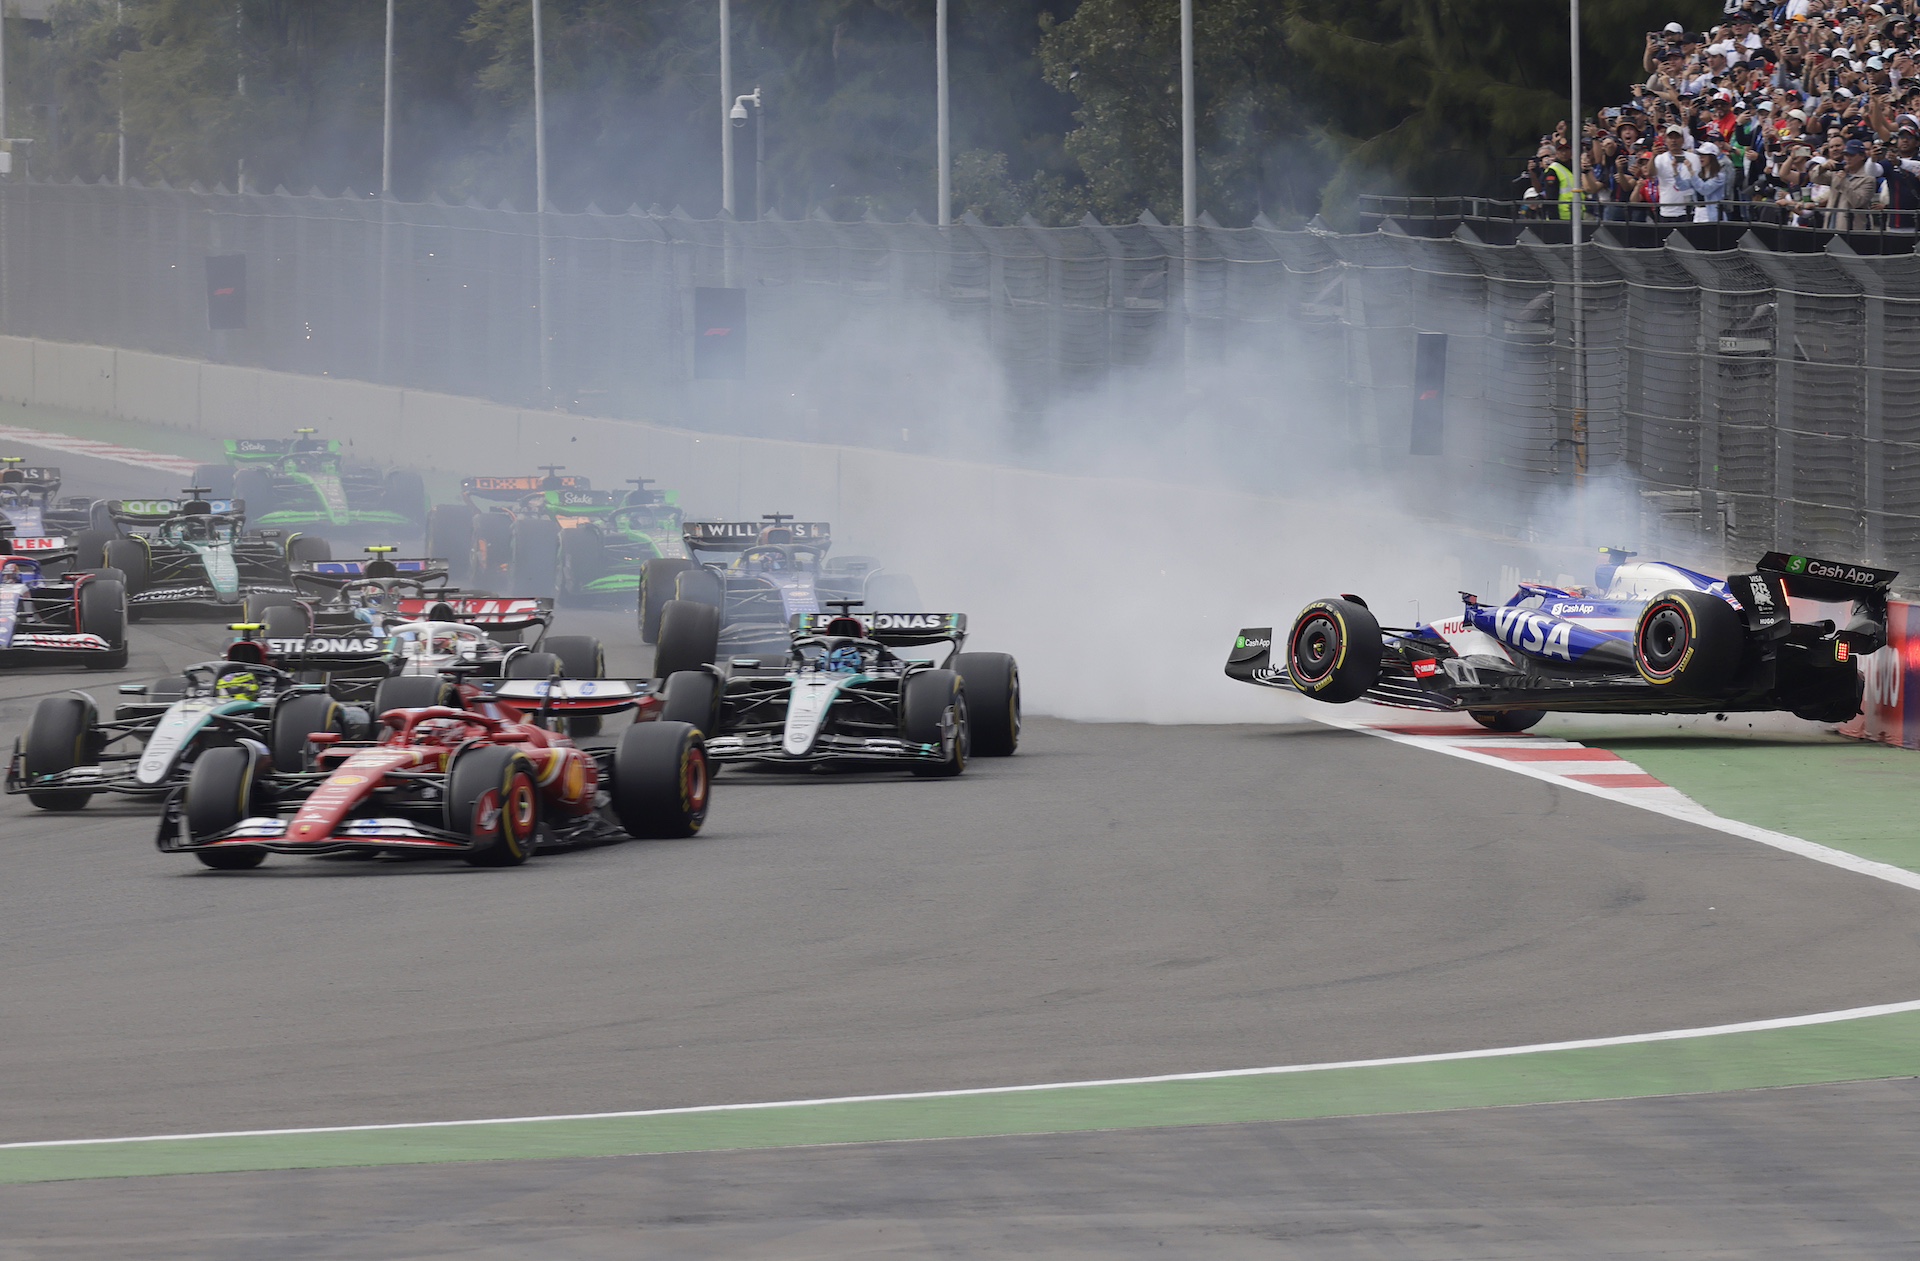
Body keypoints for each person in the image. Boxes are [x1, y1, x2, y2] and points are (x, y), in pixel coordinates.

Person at [1653, 125, 1703, 220]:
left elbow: (1697, 182)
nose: (1673, 140)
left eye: (1677, 137)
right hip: (1666, 210)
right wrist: (1653, 156)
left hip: (1688, 210)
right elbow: (1651, 174)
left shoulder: (1693, 158)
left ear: (1683, 140)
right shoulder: (1660, 158)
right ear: (1665, 140)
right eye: (1670, 137)